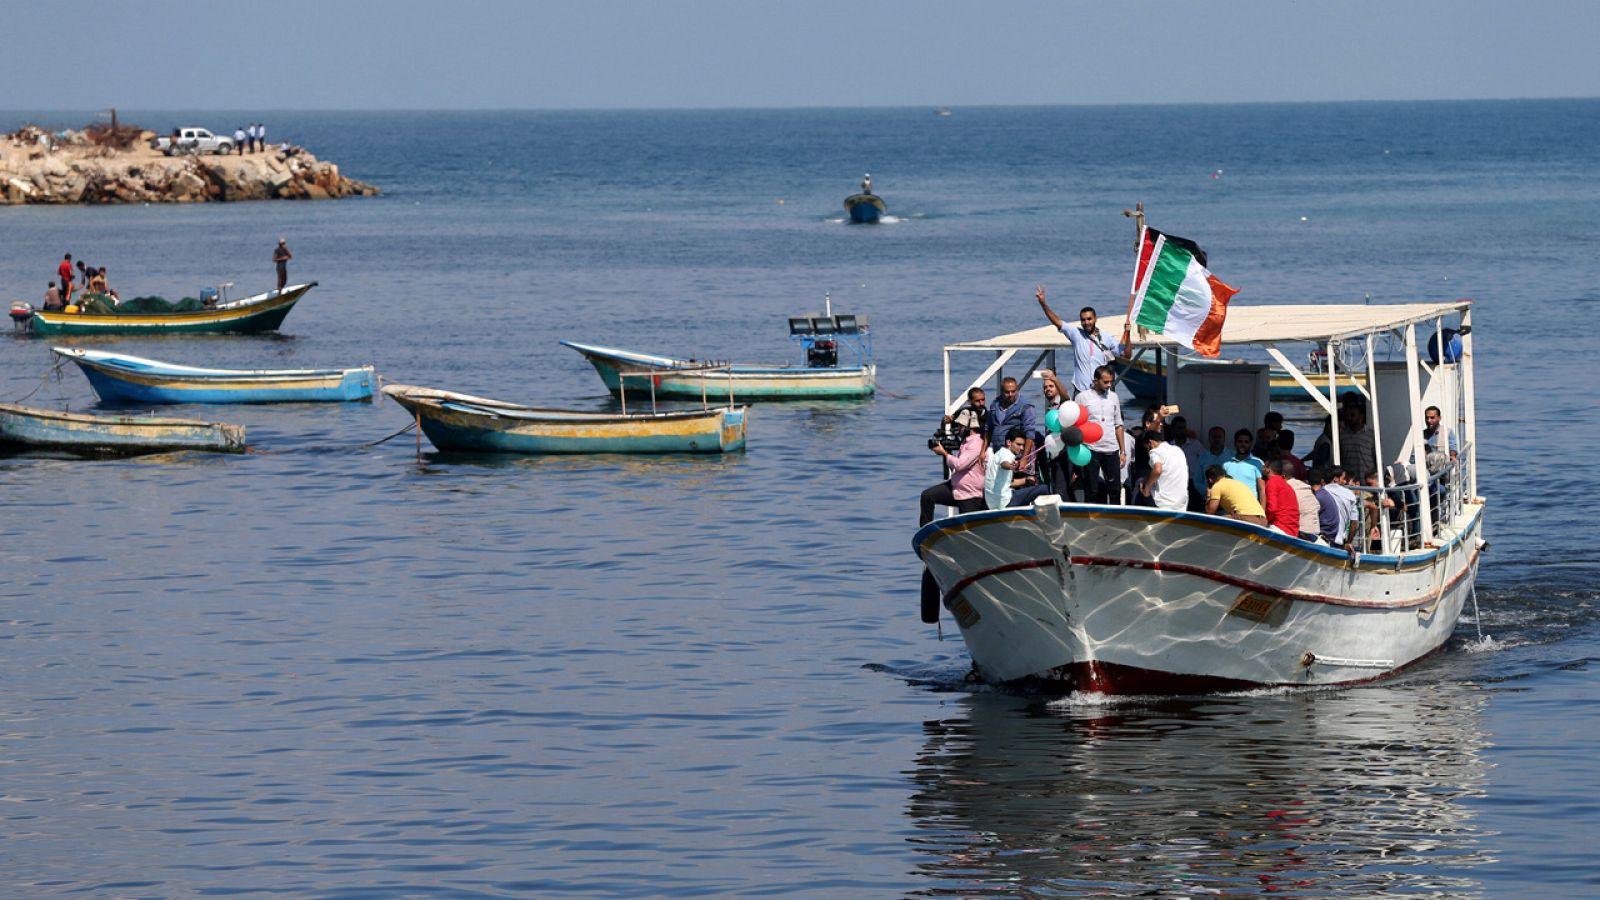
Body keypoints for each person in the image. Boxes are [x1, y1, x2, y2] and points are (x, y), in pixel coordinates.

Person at [1034, 285, 1124, 394]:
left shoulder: (1106, 337)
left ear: (1095, 318)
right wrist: (1043, 303)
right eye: (1083, 320)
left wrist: (1127, 332)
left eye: (1089, 319)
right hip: (1081, 390)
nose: (1086, 322)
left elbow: (1126, 354)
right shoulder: (1076, 334)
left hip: (1100, 391)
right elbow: (1057, 321)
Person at [919, 408, 987, 526]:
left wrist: (945, 453)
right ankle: (925, 530)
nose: (959, 429)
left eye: (961, 426)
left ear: (968, 427)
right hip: (956, 487)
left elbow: (959, 465)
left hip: (969, 493)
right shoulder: (966, 441)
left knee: (969, 529)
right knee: (927, 496)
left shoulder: (976, 444)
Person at [1073, 365, 1125, 504]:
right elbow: (1075, 424)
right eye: (1105, 382)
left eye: (1111, 382)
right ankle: (1090, 520)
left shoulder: (1114, 397)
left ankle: (1116, 518)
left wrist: (1123, 451)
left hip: (1111, 448)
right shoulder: (1082, 397)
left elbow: (1118, 425)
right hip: (1091, 449)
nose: (1109, 385)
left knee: (1115, 490)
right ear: (1096, 380)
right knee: (1092, 490)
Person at [985, 427, 1048, 510]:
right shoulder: (1006, 454)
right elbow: (1004, 463)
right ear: (1009, 443)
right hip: (1005, 501)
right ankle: (1043, 518)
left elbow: (1009, 483)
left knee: (1025, 488)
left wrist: (1026, 480)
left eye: (1023, 445)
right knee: (1044, 489)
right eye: (1018, 444)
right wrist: (1011, 466)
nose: (1021, 448)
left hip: (992, 504)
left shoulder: (997, 454)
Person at [985, 376, 1036, 474]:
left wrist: (1024, 458)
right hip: (999, 453)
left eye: (1013, 391)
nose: (1010, 394)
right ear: (1001, 391)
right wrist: (983, 451)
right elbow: (988, 429)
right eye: (1007, 392)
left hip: (1017, 455)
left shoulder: (1025, 406)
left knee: (1018, 482)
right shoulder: (994, 404)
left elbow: (1030, 434)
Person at [1140, 427, 1189, 511]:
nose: (1147, 452)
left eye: (1146, 448)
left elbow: (1157, 470)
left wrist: (1146, 489)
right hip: (1181, 503)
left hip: (1164, 503)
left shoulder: (1155, 451)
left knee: (1140, 486)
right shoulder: (1178, 449)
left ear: (1150, 442)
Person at [1222, 428, 1267, 507]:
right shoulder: (1226, 464)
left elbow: (1262, 490)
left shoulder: (1258, 463)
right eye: (1240, 441)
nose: (1243, 444)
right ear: (1235, 443)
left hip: (1251, 509)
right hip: (1230, 508)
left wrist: (1262, 513)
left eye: (1246, 442)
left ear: (1250, 444)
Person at [1337, 396, 1377, 482]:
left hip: (1367, 483)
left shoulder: (1372, 435)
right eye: (1347, 415)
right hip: (1349, 484)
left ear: (1361, 415)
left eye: (1352, 415)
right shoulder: (1341, 436)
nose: (1349, 418)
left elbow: (1377, 459)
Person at [1279, 459, 1321, 542]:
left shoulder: (1285, 488)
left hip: (1300, 536)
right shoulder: (1305, 487)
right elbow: (1317, 506)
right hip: (1315, 534)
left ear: (1282, 476)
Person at [1322, 465, 1360, 548]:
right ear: (1335, 479)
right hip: (1339, 540)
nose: (1345, 482)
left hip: (1322, 538)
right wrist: (1349, 542)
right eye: (1343, 478)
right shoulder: (1349, 494)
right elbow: (1354, 522)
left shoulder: (1321, 492)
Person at [1261, 462, 1301, 537]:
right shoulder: (1287, 485)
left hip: (1279, 527)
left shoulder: (1272, 482)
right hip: (1292, 531)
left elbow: (1272, 508)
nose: (1261, 469)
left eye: (1263, 467)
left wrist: (1264, 521)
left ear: (1268, 469)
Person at [1193, 425, 1230, 509]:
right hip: (1207, 499)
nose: (1216, 439)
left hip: (1227, 501)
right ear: (1209, 439)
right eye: (1214, 436)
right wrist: (1206, 492)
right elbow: (1197, 480)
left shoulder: (1231, 456)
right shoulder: (1202, 457)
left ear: (1224, 439)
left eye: (1219, 436)